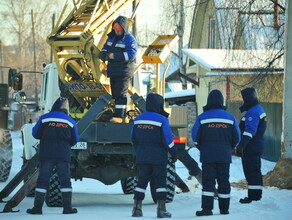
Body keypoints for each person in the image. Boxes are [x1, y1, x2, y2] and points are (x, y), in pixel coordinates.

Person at [27, 97, 79, 215]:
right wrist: (65, 145)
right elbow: (75, 139)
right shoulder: (70, 121)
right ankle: (67, 208)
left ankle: (37, 208)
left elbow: (35, 134)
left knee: (42, 180)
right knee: (65, 181)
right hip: (63, 155)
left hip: (46, 154)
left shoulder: (44, 118)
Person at [192, 89, 241, 216]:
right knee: (224, 180)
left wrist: (201, 148)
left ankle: (207, 209)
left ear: (209, 101)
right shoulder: (230, 117)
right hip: (224, 155)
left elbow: (195, 136)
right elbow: (237, 137)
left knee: (208, 181)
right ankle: (224, 209)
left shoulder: (202, 118)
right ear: (221, 101)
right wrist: (229, 148)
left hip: (207, 155)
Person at [130, 93, 177, 218]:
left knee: (141, 181)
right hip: (158, 157)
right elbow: (168, 139)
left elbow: (133, 138)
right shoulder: (162, 120)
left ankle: (136, 209)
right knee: (160, 183)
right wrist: (174, 152)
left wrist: (140, 150)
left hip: (143, 156)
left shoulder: (137, 119)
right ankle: (161, 210)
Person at [99, 15, 138, 123]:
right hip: (114, 71)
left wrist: (113, 56)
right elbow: (105, 46)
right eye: (115, 29)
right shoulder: (111, 37)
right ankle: (116, 114)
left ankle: (120, 117)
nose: (116, 31)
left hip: (123, 71)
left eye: (118, 29)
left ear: (123, 29)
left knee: (120, 94)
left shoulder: (129, 39)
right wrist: (103, 52)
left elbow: (131, 55)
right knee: (115, 94)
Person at [236, 87, 267, 203]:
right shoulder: (258, 109)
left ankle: (253, 197)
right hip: (256, 146)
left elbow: (250, 130)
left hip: (251, 147)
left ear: (249, 98)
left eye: (243, 99)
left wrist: (242, 145)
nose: (242, 102)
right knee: (255, 171)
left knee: (251, 172)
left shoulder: (253, 112)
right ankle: (256, 195)